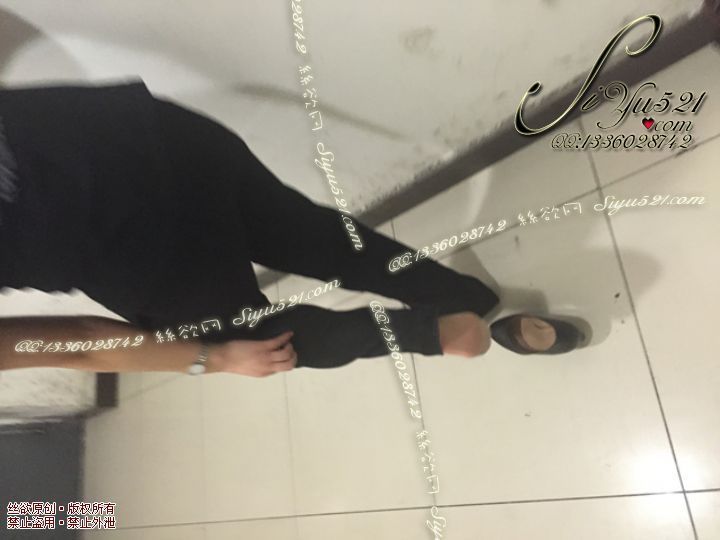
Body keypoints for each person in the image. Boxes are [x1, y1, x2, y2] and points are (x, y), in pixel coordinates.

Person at [0, 79, 585, 378]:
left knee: (257, 339)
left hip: (127, 243)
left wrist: (212, 361)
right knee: (310, 235)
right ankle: (465, 297)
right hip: (131, 130)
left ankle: (442, 333)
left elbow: (78, 343)